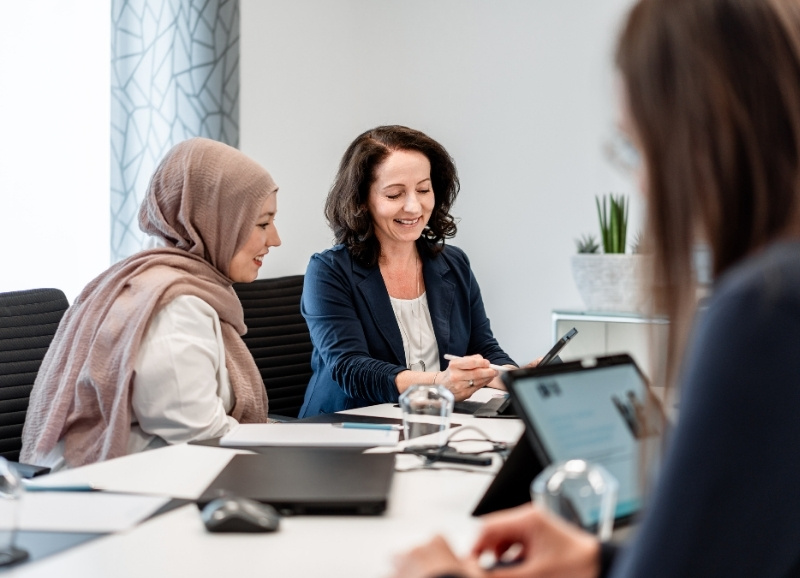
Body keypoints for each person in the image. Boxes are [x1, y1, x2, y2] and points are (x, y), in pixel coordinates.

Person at [391, 0, 800, 575]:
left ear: (700, 133)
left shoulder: (768, 308)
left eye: (638, 145)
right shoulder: (334, 272)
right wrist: (602, 559)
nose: (640, 179)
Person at [21, 137, 281, 470]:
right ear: (214, 221)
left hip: (145, 479)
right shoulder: (175, 305)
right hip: (111, 495)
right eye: (262, 223)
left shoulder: (160, 281)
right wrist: (288, 443)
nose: (275, 239)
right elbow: (199, 434)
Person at [299, 125, 528, 417]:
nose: (413, 206)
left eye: (423, 189)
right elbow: (350, 368)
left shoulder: (454, 264)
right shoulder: (329, 271)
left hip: (432, 422)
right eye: (394, 194)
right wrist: (439, 383)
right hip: (347, 427)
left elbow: (483, 347)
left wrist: (512, 376)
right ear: (360, 201)